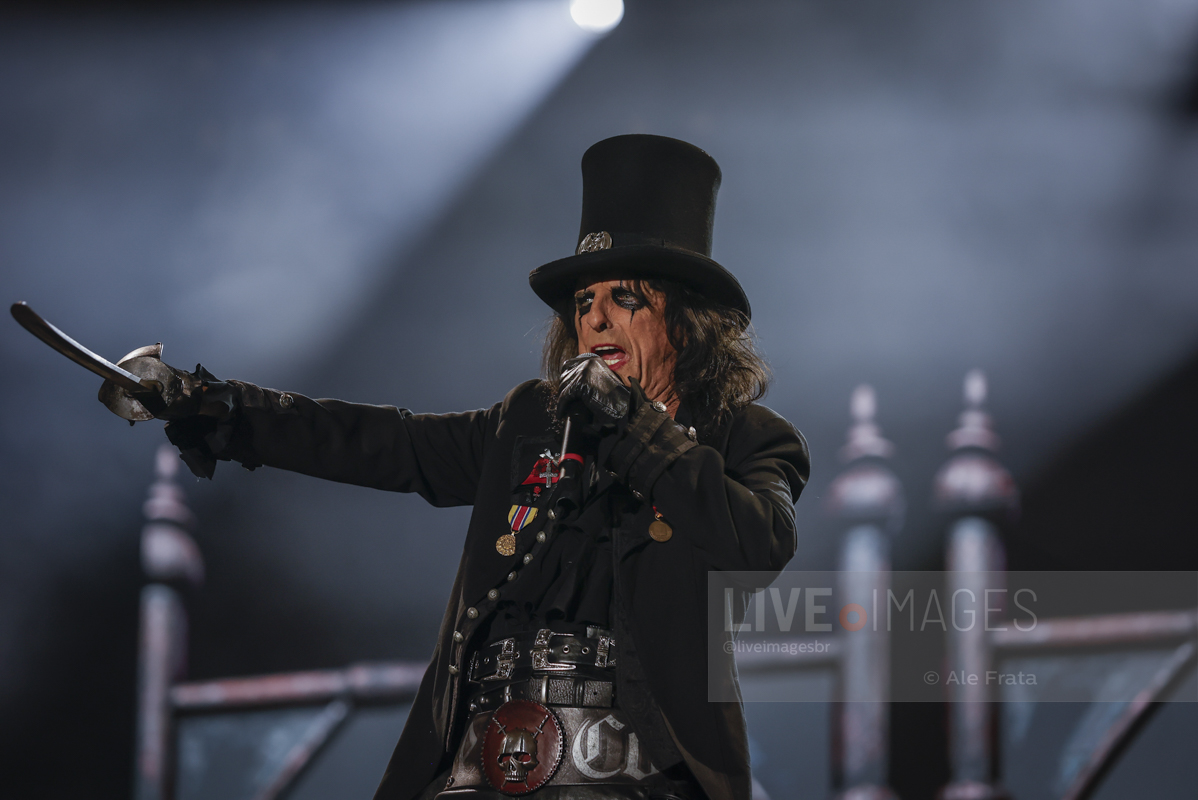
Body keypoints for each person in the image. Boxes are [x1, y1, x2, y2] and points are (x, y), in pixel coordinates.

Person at [158, 134, 809, 800]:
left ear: (687, 321)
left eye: (625, 298)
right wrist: (222, 407)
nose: (595, 320)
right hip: (483, 770)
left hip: (636, 781)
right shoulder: (529, 422)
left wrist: (632, 425)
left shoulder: (747, 439)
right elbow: (388, 442)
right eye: (583, 303)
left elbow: (760, 542)